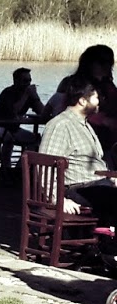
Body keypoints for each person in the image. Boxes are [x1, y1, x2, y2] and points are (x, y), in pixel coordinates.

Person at [40, 79, 117, 229]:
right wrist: (58, 199)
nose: (100, 101)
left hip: (96, 185)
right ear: (82, 101)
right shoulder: (61, 125)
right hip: (77, 189)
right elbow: (45, 167)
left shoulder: (84, 124)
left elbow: (91, 164)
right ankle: (108, 240)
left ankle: (107, 238)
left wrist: (111, 178)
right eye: (96, 97)